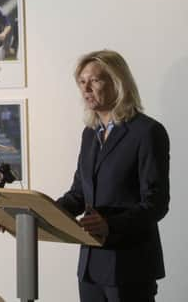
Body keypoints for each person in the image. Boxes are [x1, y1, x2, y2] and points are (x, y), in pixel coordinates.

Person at [55, 50, 169, 301]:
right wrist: (32, 215)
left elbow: (156, 204)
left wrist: (111, 226)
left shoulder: (147, 132)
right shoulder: (90, 134)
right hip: (91, 267)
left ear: (118, 83)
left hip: (130, 265)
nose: (86, 88)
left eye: (95, 80)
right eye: (82, 82)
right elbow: (78, 194)